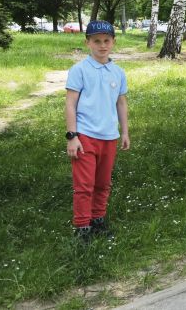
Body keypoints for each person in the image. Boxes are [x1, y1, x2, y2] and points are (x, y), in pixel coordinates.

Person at [65, 20, 130, 243]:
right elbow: (70, 104)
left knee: (103, 184)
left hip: (109, 137)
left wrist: (124, 132)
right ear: (88, 43)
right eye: (97, 41)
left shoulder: (118, 72)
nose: (102, 45)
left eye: (106, 41)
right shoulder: (79, 70)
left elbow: (121, 103)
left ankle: (97, 220)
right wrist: (72, 136)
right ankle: (82, 228)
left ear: (113, 42)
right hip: (85, 137)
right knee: (84, 186)